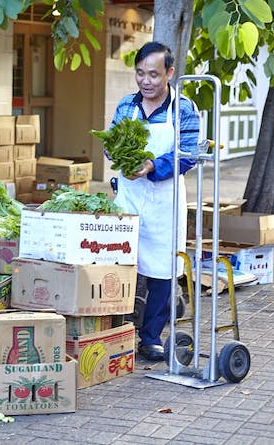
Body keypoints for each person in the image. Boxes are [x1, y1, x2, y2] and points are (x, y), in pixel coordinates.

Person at [109, 41, 200, 361]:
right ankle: (115, 333)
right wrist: (117, 152)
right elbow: (111, 143)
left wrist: (151, 166)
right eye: (139, 73)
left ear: (170, 73)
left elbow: (187, 155)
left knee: (162, 268)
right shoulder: (126, 106)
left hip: (164, 199)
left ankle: (151, 337)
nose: (145, 81)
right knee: (118, 263)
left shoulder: (184, 109)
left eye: (153, 74)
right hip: (129, 198)